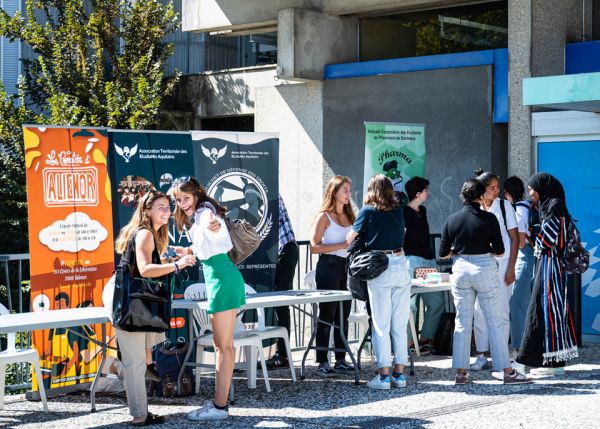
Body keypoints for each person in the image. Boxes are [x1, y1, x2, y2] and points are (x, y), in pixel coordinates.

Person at [114, 190, 196, 426]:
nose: (167, 210)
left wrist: (173, 260)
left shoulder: (153, 234)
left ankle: (148, 366)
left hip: (132, 299)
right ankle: (140, 415)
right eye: (160, 206)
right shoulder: (145, 234)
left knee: (138, 357)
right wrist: (177, 265)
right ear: (147, 210)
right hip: (128, 300)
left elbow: (149, 267)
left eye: (168, 206)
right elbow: (146, 269)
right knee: (133, 361)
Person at [439, 179, 531, 384]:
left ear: (462, 196)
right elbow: (500, 250)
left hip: (461, 268)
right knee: (495, 319)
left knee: (462, 321)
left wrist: (459, 251)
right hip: (484, 267)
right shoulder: (489, 218)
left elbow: (443, 252)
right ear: (480, 197)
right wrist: (484, 249)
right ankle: (507, 371)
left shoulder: (452, 219)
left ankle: (461, 373)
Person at [171, 176, 245, 421]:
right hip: (220, 276)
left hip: (221, 278)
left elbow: (217, 237)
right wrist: (189, 250)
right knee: (223, 346)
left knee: (223, 347)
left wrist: (213, 224)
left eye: (185, 198)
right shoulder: (204, 212)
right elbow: (211, 244)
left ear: (196, 194)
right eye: (178, 199)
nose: (182, 203)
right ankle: (219, 403)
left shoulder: (205, 213)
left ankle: (220, 407)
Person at [346, 174, 411, 390]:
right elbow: (402, 233)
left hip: (380, 265)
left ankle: (383, 376)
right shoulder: (398, 209)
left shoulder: (368, 211)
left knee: (381, 324)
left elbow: (351, 237)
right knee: (399, 324)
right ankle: (400, 374)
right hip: (401, 263)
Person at [516, 173, 579, 377]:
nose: (530, 192)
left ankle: (540, 364)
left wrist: (533, 235)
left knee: (544, 309)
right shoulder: (552, 204)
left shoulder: (553, 206)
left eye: (532, 188)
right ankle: (551, 362)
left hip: (550, 266)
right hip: (551, 265)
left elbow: (548, 239)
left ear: (543, 188)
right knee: (548, 310)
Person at [471, 170, 519, 371]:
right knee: (479, 310)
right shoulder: (474, 207)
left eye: (498, 187)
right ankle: (481, 354)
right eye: (492, 188)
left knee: (501, 310)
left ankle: (501, 354)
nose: (497, 191)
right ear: (482, 190)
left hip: (503, 262)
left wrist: (511, 268)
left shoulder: (504, 205)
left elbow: (515, 238)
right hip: (481, 262)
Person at [309, 175, 355, 377]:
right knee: (327, 314)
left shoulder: (350, 215)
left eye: (349, 190)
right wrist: (341, 246)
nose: (348, 194)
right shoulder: (323, 216)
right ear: (334, 192)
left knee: (343, 316)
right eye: (345, 190)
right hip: (328, 267)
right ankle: (321, 361)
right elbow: (313, 247)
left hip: (347, 267)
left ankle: (341, 359)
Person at [403, 176, 445, 353]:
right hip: (411, 259)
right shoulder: (403, 212)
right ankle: (409, 342)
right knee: (409, 304)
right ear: (418, 193)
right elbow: (402, 237)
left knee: (437, 301)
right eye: (426, 190)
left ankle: (426, 338)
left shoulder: (424, 210)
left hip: (428, 259)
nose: (428, 193)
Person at [503, 176, 536, 364]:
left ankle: (519, 349)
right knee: (524, 303)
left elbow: (521, 241)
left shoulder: (519, 210)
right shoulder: (527, 206)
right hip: (530, 256)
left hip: (525, 256)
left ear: (507, 193)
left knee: (517, 304)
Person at [265, 195, 299, 369]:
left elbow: (269, 226)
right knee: (274, 302)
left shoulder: (272, 195)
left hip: (284, 249)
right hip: (276, 251)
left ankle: (283, 354)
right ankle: (273, 352)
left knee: (280, 302)